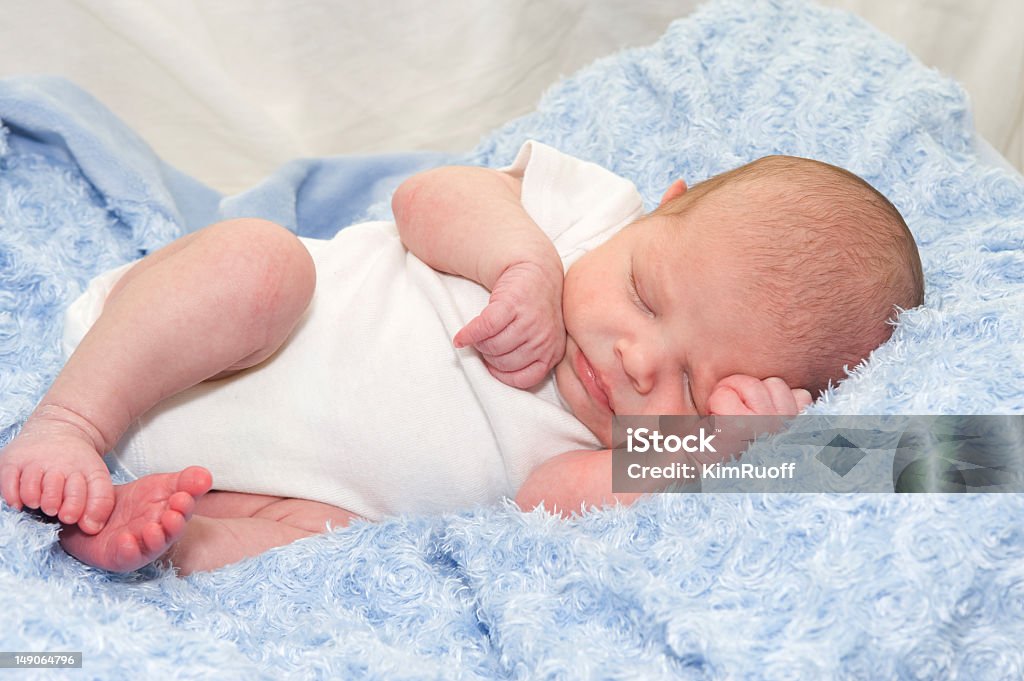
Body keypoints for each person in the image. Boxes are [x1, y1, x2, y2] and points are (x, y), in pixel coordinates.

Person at [0, 141, 924, 575]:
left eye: (687, 385)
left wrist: (705, 454)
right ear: (653, 210)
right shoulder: (579, 217)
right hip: (194, 343)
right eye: (644, 293)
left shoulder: (612, 443)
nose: (639, 360)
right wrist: (514, 257)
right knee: (260, 262)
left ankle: (145, 538)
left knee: (321, 540)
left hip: (261, 483)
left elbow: (545, 499)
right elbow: (425, 197)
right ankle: (74, 421)